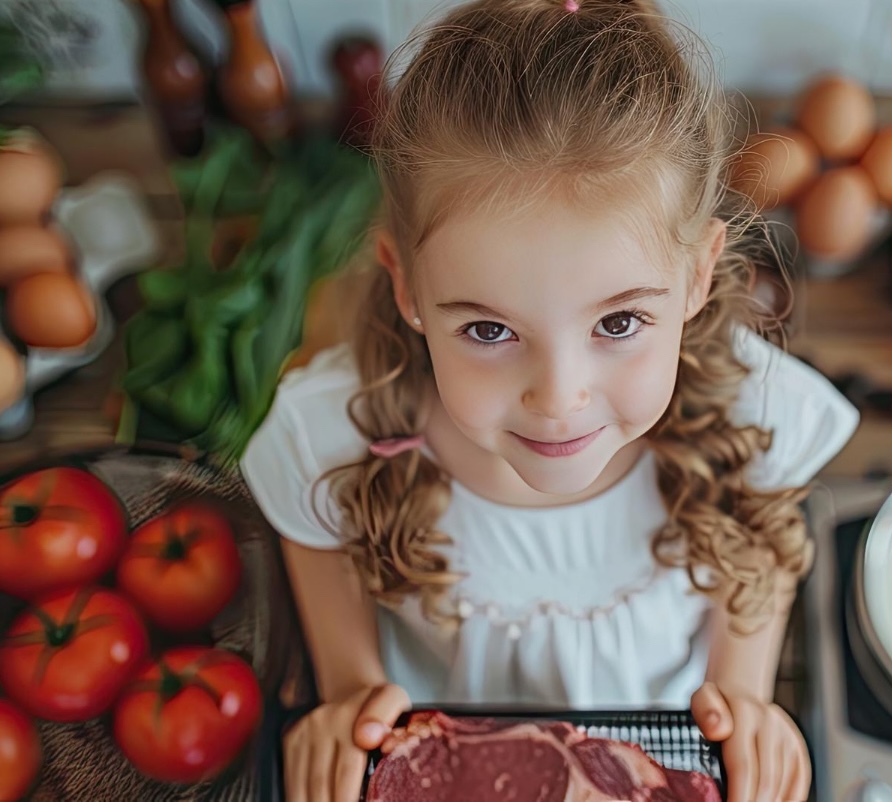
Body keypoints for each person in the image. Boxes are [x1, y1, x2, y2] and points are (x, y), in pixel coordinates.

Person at [240, 0, 858, 799]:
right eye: (490, 331)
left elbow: (759, 559)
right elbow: (338, 635)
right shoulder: (328, 437)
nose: (559, 399)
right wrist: (349, 695)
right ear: (408, 285)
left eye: (621, 321)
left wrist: (744, 696)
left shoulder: (756, 414)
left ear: (697, 276)